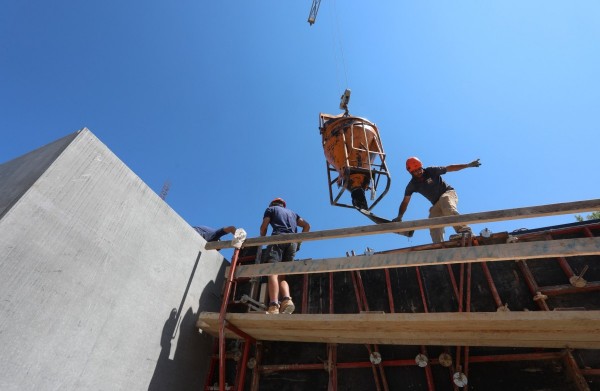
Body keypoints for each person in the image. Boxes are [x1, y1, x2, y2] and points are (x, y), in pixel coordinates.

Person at [393, 157, 481, 243]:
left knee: (445, 201)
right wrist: (400, 216)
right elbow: (405, 201)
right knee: (432, 219)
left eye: (419, 169)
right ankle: (438, 245)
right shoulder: (412, 185)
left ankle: (464, 230)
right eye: (415, 171)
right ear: (411, 172)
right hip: (436, 203)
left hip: (448, 193)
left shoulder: (431, 171)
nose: (418, 172)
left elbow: (449, 168)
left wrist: (467, 165)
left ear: (421, 166)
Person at [260, 197, 310, 315]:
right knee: (282, 277)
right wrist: (298, 242)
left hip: (278, 239)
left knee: (272, 272)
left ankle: (273, 305)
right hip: (292, 244)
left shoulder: (271, 209)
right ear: (284, 205)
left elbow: (264, 227)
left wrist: (261, 240)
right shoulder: (293, 213)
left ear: (273, 203)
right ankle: (287, 300)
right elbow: (307, 226)